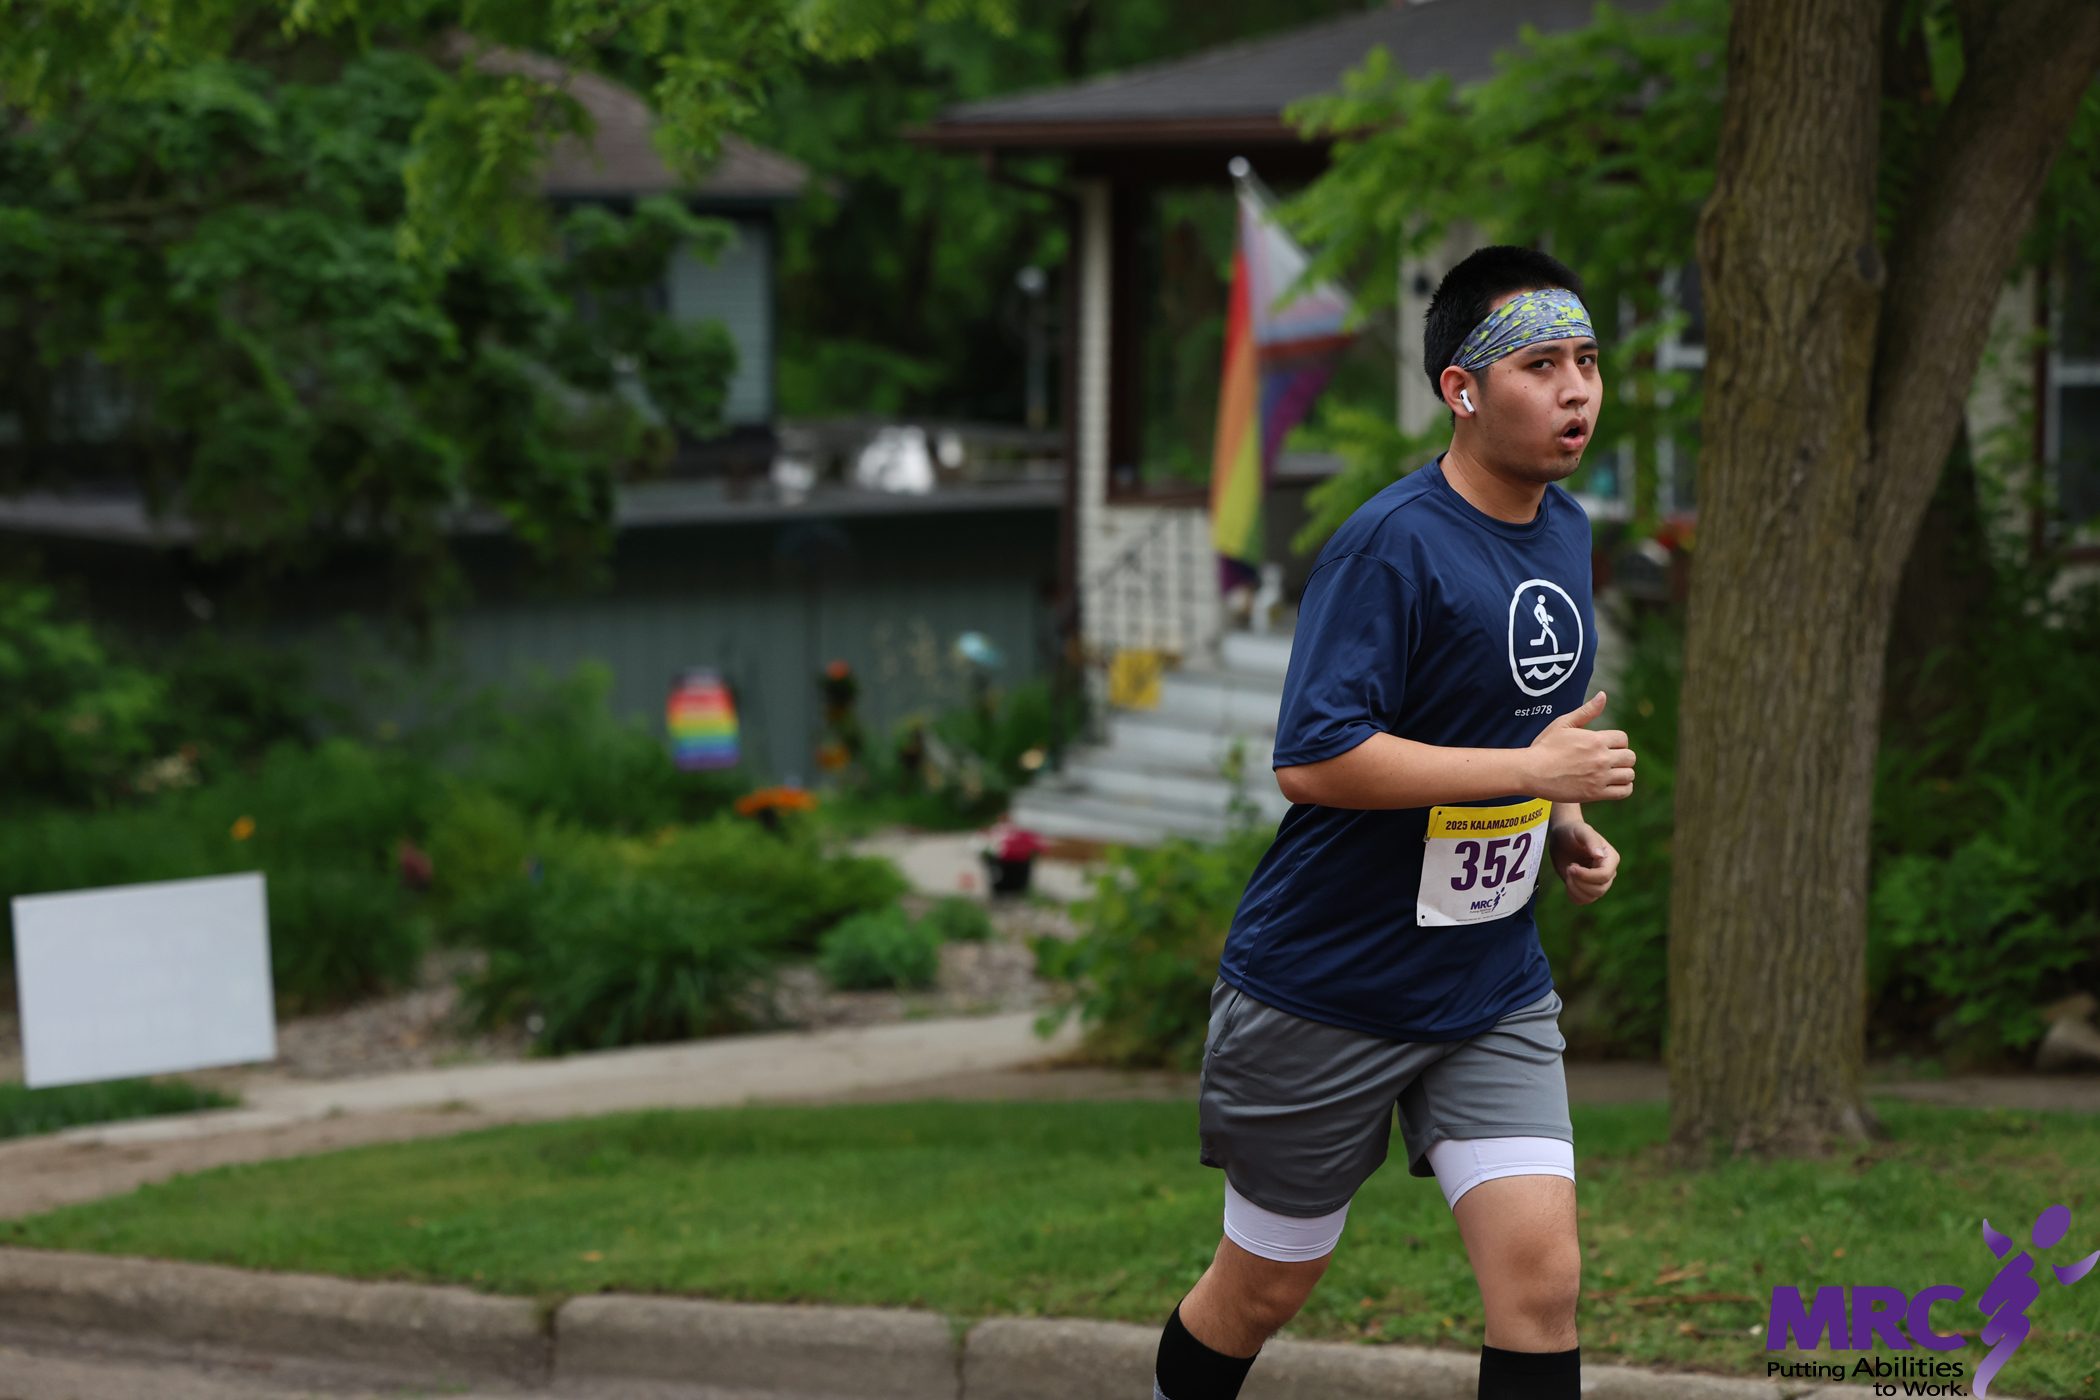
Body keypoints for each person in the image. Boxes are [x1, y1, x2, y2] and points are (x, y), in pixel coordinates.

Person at [1150, 245, 1635, 1400]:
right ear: (1461, 389)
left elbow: (1529, 713)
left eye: (1586, 360)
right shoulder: (1391, 544)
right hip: (1326, 983)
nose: (1576, 390)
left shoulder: (1565, 529)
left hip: (1487, 984)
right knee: (1261, 1287)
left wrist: (1561, 813)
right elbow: (1314, 757)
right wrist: (1529, 767)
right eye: (1540, 365)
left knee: (1542, 1284)